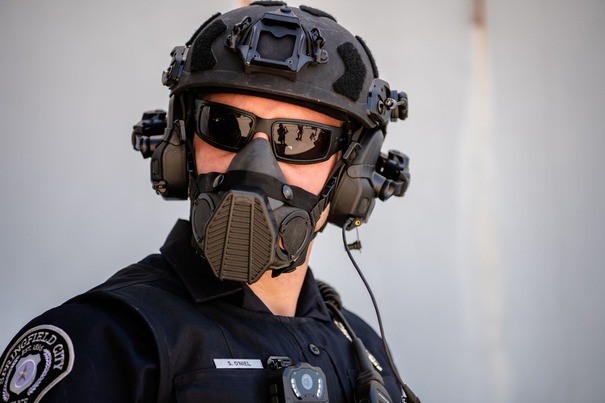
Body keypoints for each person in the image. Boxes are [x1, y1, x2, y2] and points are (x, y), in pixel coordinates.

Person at [0, 2, 416, 402]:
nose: (255, 166)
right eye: (224, 125)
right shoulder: (107, 343)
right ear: (183, 148)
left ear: (350, 172)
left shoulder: (365, 350)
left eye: (300, 138)